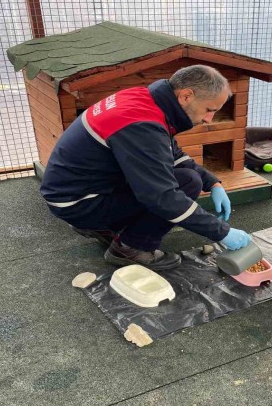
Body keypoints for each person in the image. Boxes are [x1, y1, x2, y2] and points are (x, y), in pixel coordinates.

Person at [40, 65, 252, 271]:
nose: (209, 119)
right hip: (79, 203)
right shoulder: (141, 125)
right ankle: (130, 248)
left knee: (185, 177)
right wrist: (222, 233)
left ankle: (104, 227)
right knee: (186, 183)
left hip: (77, 191)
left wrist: (212, 182)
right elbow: (162, 197)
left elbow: (170, 153)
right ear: (186, 96)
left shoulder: (144, 100)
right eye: (209, 110)